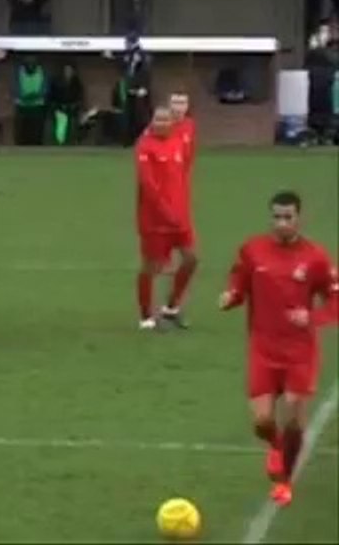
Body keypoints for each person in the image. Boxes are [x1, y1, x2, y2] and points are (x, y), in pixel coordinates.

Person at [219, 191, 338, 506]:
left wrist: (311, 317)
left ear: (299, 218)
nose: (281, 223)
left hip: (299, 351)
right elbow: (239, 281)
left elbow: (335, 299)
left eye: (288, 217)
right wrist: (231, 296)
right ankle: (275, 446)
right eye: (276, 217)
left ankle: (284, 480)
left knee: (294, 418)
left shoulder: (315, 257)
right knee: (262, 422)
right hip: (263, 346)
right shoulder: (253, 250)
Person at [135, 106, 197, 330]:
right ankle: (145, 316)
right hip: (155, 220)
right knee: (152, 267)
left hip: (180, 218)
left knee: (191, 259)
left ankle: (171, 308)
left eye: (164, 120)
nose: (160, 123)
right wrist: (166, 212)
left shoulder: (179, 141)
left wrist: (181, 210)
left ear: (172, 122)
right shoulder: (145, 146)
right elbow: (148, 185)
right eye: (156, 119)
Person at [13, 55, 48, 146]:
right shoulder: (19, 72)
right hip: (22, 106)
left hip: (37, 106)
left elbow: (45, 88)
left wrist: (35, 96)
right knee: (22, 133)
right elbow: (16, 88)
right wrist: (25, 97)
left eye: (33, 64)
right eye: (28, 64)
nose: (30, 66)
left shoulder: (42, 71)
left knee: (36, 133)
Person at [50, 63, 84, 145]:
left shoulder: (77, 83)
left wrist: (74, 105)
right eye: (66, 70)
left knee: (74, 122)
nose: (67, 72)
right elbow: (53, 96)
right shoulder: (57, 82)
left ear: (73, 72)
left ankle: (72, 142)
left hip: (73, 109)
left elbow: (79, 97)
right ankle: (60, 143)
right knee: (61, 121)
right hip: (60, 108)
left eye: (69, 70)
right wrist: (58, 105)